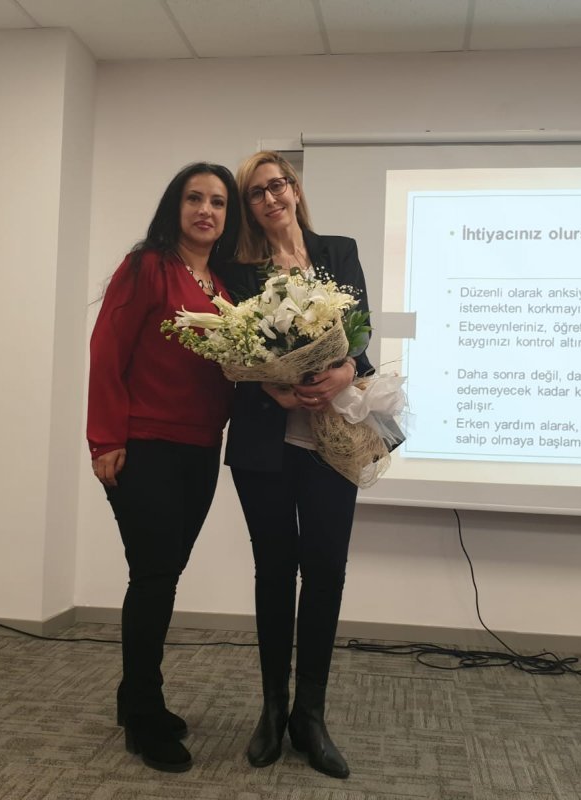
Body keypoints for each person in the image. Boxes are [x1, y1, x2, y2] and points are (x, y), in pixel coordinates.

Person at [218, 151, 374, 779]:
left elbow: (361, 335)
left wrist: (345, 370)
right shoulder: (237, 271)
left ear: (295, 189)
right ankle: (272, 709)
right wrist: (270, 384)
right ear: (249, 206)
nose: (270, 198)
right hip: (265, 445)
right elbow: (233, 351)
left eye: (277, 185)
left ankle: (311, 714)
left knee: (327, 571)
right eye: (256, 193)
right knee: (275, 572)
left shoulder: (338, 251)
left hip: (332, 442)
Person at [87, 162, 241, 773]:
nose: (206, 210)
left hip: (202, 448)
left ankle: (134, 697)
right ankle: (144, 717)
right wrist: (104, 438)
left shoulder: (222, 284)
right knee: (152, 577)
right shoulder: (147, 266)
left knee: (165, 574)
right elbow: (107, 350)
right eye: (194, 198)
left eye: (218, 202)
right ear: (174, 207)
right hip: (145, 444)